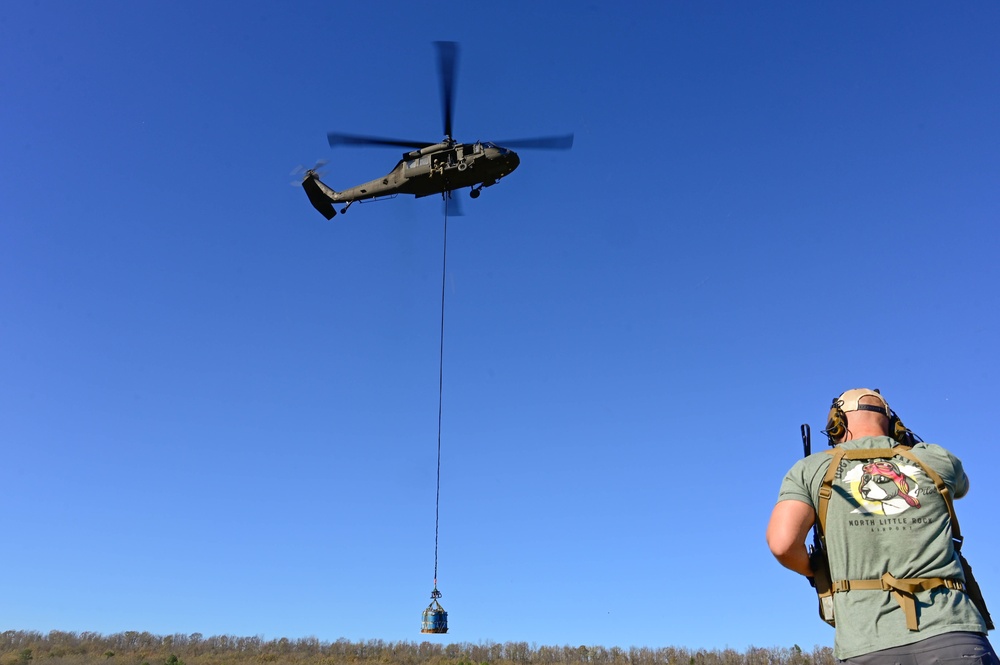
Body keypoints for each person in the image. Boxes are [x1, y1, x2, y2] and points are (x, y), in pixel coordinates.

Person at [767, 388, 995, 664]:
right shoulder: (934, 458)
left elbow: (782, 544)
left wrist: (818, 570)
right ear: (894, 422)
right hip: (954, 633)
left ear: (835, 423)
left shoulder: (810, 468)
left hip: (866, 643)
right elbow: (962, 487)